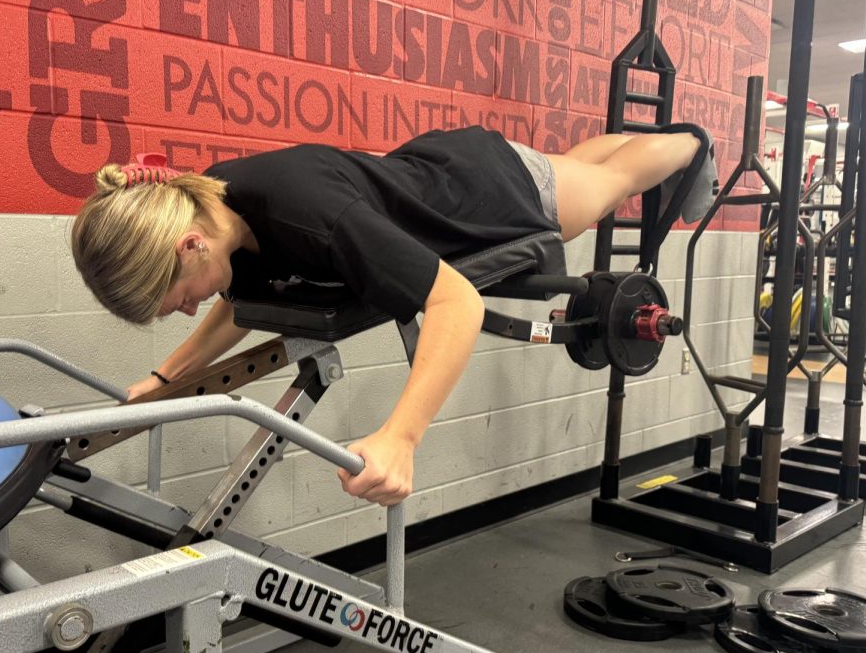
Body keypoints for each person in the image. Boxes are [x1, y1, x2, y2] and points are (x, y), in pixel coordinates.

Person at [70, 126, 715, 508]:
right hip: (442, 167)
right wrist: (165, 379)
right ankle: (642, 152)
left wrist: (400, 437)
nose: (189, 309)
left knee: (614, 180)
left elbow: (454, 301)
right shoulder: (213, 204)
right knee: (576, 166)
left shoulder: (311, 219)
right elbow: (238, 302)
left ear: (189, 245)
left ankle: (693, 143)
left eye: (178, 298)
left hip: (489, 195)